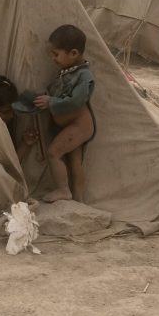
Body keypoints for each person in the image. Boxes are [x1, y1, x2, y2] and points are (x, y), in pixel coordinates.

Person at [13, 25, 95, 202]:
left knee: (54, 153)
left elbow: (76, 101)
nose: (53, 58)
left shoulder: (84, 76)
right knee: (74, 161)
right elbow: (57, 91)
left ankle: (63, 190)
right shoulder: (67, 72)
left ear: (73, 53)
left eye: (56, 54)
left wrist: (51, 102)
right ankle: (79, 200)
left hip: (79, 125)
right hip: (71, 125)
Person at [0, 75, 37, 163]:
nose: (11, 116)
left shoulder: (5, 131)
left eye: (13, 111)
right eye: (5, 112)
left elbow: (10, 168)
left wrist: (25, 144)